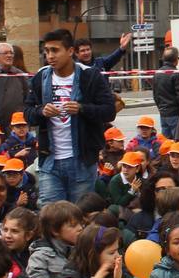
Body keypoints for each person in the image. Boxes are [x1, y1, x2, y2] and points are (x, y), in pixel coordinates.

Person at [24, 29, 116, 206]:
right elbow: (27, 113)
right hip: (49, 162)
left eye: (55, 50)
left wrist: (82, 108)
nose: (50, 56)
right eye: (47, 51)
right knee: (51, 215)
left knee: (80, 214)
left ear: (70, 51)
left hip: (82, 160)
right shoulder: (40, 78)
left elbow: (108, 111)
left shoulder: (89, 75)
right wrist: (41, 111)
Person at [0, 42, 29, 133]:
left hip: (16, 125)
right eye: (6, 53)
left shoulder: (20, 74)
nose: (9, 55)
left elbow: (27, 97)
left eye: (11, 53)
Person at [151, 47, 179, 141]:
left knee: (165, 142)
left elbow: (155, 95)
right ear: (176, 59)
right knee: (178, 140)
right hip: (175, 113)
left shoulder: (157, 73)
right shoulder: (176, 73)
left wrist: (161, 108)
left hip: (163, 113)